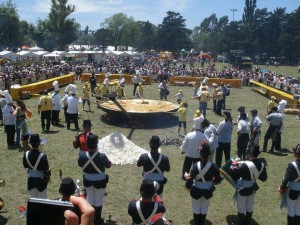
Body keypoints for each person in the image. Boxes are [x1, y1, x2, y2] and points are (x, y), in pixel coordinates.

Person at [78, 134, 112, 225]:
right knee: (99, 200)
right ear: (97, 144)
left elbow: (80, 164)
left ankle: (91, 218)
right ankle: (97, 219)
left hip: (88, 181)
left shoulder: (82, 155)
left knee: (90, 199)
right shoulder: (102, 156)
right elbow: (108, 165)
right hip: (100, 181)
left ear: (87, 144)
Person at [184, 143, 221, 225]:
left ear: (200, 153)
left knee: (196, 208)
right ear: (209, 154)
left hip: (196, 190)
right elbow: (218, 180)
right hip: (208, 190)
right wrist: (211, 183)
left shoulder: (195, 166)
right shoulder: (214, 166)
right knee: (204, 208)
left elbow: (190, 181)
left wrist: (188, 184)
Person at [231, 145, 267, 225]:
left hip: (242, 189)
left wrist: (234, 164)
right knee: (250, 206)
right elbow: (264, 178)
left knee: (241, 207)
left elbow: (234, 173)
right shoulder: (262, 165)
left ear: (250, 154)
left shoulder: (245, 165)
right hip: (252, 189)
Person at [23, 134, 51, 199]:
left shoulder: (26, 154)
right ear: (39, 143)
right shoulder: (42, 156)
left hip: (31, 181)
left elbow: (25, 165)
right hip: (41, 182)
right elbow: (46, 170)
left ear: (31, 144)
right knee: (43, 201)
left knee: (34, 201)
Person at [278, 144, 300, 225]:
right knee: (298, 210)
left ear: (297, 154)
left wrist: (282, 188)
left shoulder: (292, 165)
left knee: (291, 210)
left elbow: (286, 179)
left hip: (292, 190)